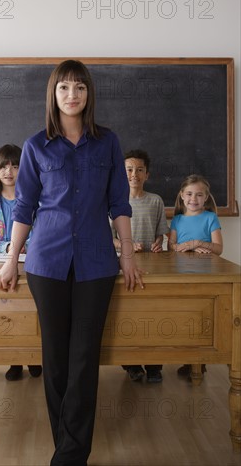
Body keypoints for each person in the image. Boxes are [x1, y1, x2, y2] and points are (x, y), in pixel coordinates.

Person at [0, 60, 144, 466]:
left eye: (79, 87)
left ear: (88, 94)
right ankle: (67, 444)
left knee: (84, 357)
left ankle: (71, 454)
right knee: (55, 358)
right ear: (53, 95)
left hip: (96, 264)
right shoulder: (37, 145)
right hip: (46, 262)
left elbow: (118, 204)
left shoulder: (108, 142)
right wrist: (11, 262)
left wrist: (127, 255)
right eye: (64, 88)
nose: (72, 95)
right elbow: (23, 207)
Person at [0, 144, 42, 382]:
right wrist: (8, 247)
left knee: (32, 309)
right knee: (9, 308)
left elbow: (39, 227)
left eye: (15, 166)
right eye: (4, 166)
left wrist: (24, 245)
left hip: (31, 257)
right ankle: (15, 359)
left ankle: (35, 356)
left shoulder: (33, 197)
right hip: (2, 258)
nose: (9, 171)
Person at [112, 149, 169, 383]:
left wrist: (158, 243)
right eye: (128, 169)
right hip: (124, 264)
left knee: (153, 315)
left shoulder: (155, 200)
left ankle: (155, 365)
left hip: (151, 264)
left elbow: (161, 234)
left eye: (139, 170)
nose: (134, 174)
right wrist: (125, 246)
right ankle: (132, 364)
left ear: (147, 174)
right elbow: (109, 236)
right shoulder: (115, 200)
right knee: (129, 315)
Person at [169, 174, 223, 379]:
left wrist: (196, 244)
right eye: (190, 194)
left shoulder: (210, 218)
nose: (194, 198)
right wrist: (184, 247)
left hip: (205, 276)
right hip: (181, 276)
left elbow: (218, 248)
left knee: (202, 320)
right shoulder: (177, 219)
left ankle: (197, 364)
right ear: (182, 195)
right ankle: (189, 360)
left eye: (199, 195)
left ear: (206, 197)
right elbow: (171, 246)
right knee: (186, 319)